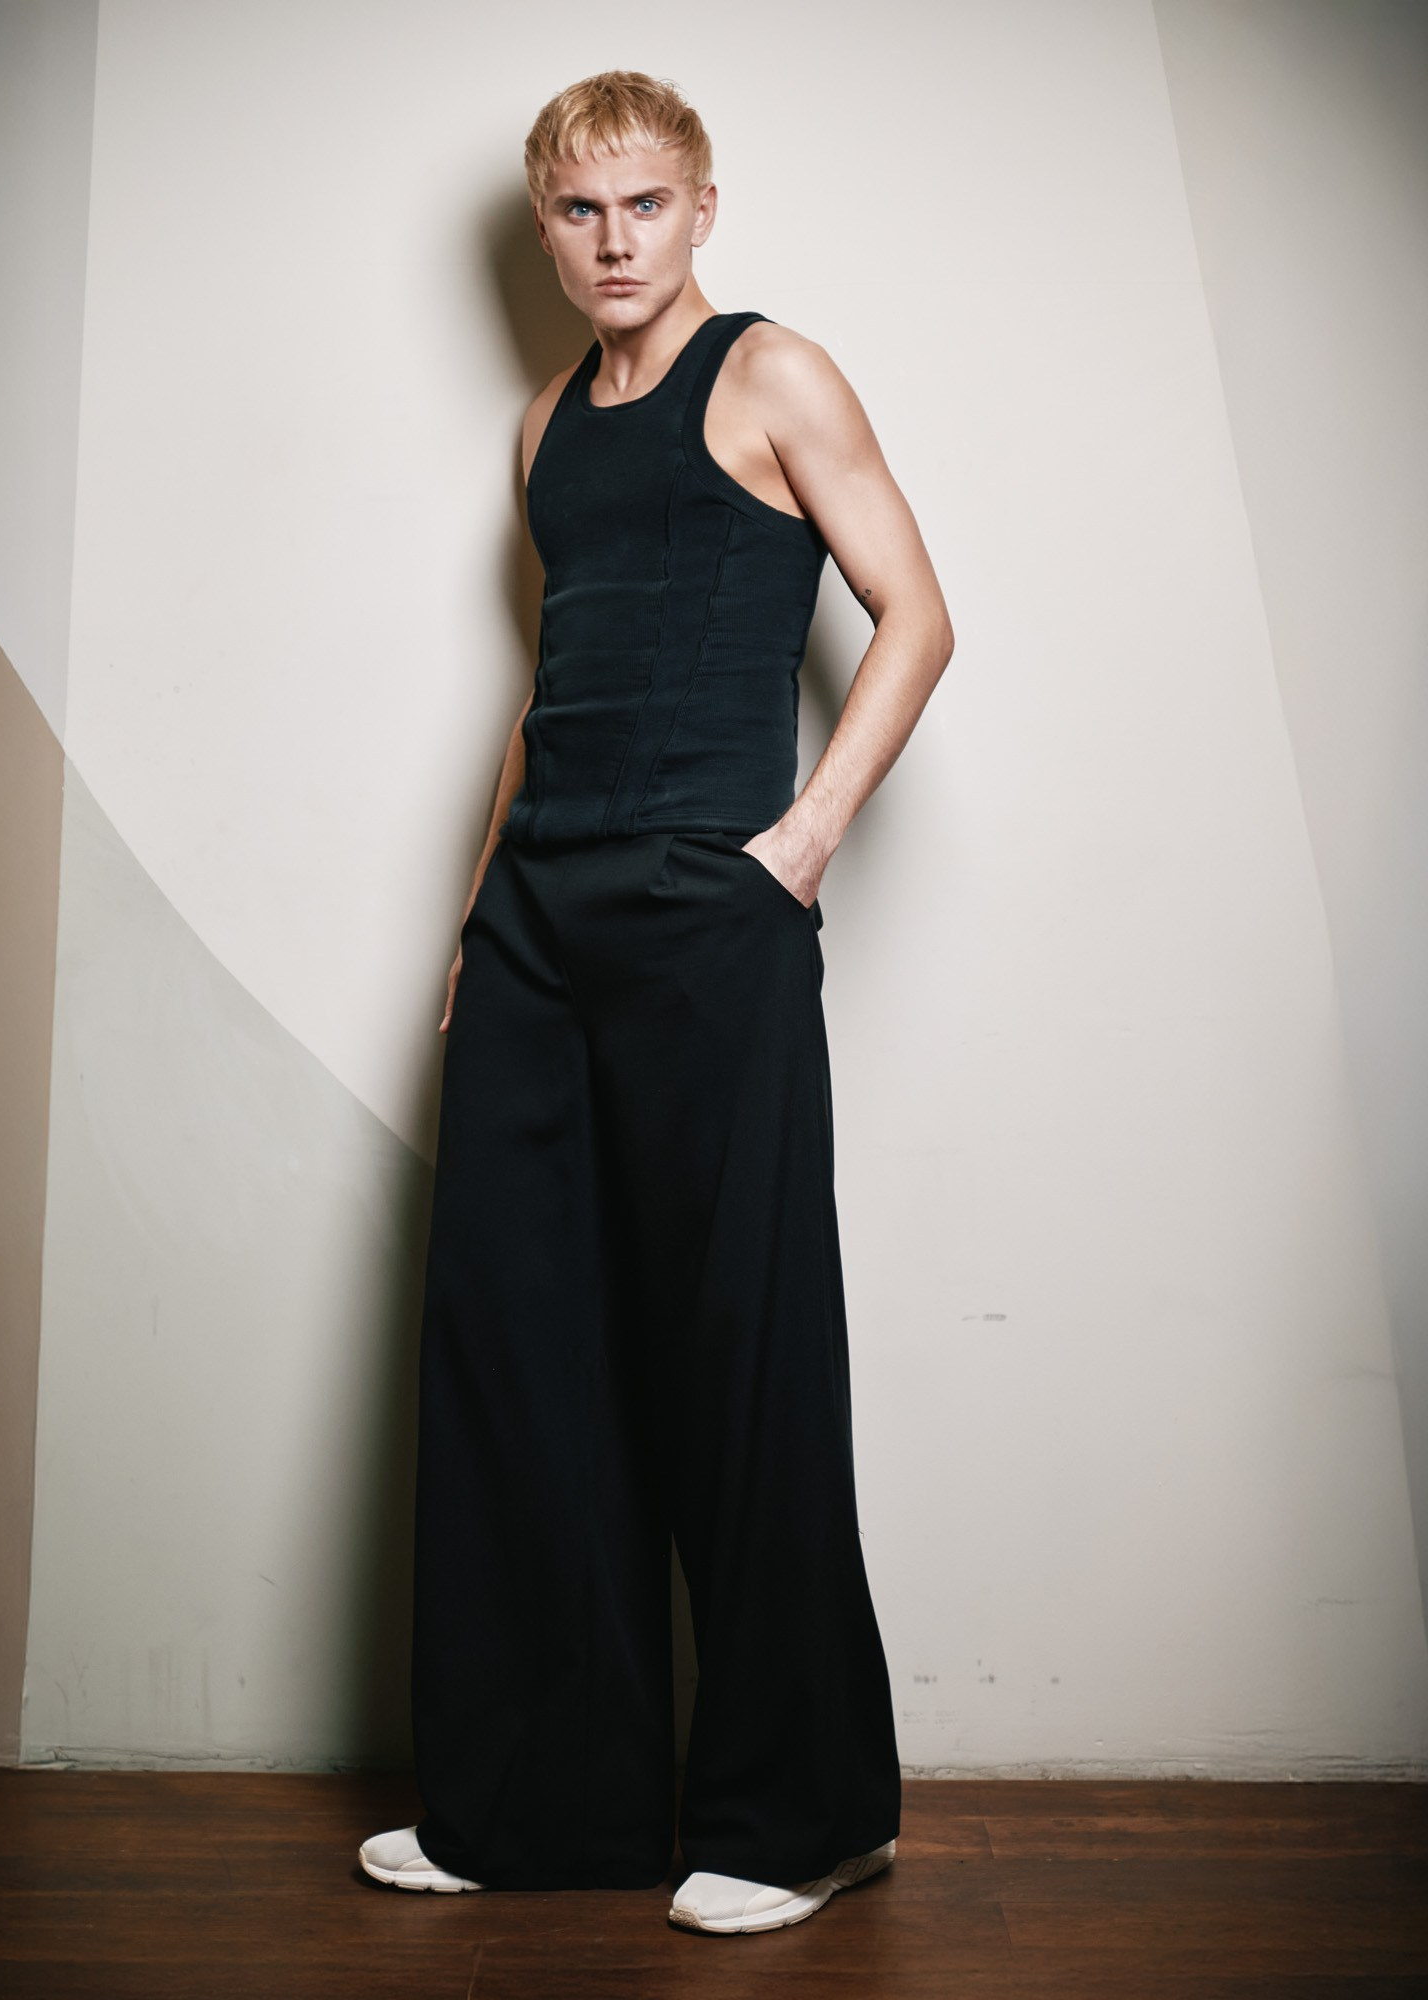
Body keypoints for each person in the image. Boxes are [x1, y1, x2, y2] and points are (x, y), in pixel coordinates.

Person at [361, 68, 954, 1937]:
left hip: (711, 915)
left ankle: (806, 1816)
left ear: (702, 207)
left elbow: (918, 614)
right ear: (546, 230)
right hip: (539, 927)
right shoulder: (545, 423)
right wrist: (478, 922)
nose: (613, 241)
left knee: (738, 1348)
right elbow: (551, 692)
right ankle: (539, 1806)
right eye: (578, 211)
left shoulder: (773, 376)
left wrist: (800, 847)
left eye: (644, 205)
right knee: (520, 1349)